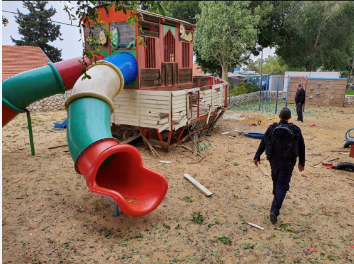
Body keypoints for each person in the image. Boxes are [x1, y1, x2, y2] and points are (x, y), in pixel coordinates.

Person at [253, 107, 305, 224]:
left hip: (274, 160)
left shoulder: (272, 128)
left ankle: (276, 195)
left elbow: (264, 141)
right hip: (288, 162)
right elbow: (302, 146)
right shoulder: (296, 129)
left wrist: (257, 155)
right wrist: (302, 162)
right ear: (290, 118)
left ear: (279, 116)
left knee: (276, 177)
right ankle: (274, 210)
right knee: (282, 184)